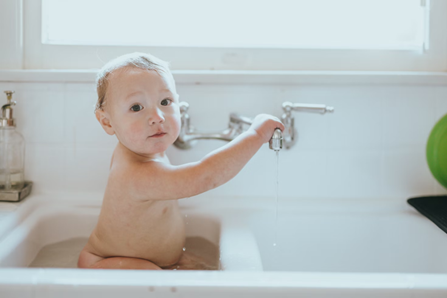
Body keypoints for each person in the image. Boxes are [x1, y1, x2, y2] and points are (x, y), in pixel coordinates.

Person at [77, 52, 284, 270]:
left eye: (165, 101)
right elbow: (206, 176)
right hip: (106, 263)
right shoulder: (135, 173)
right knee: (156, 278)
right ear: (107, 122)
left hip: (144, 259)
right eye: (136, 107)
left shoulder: (142, 152)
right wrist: (256, 135)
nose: (157, 116)